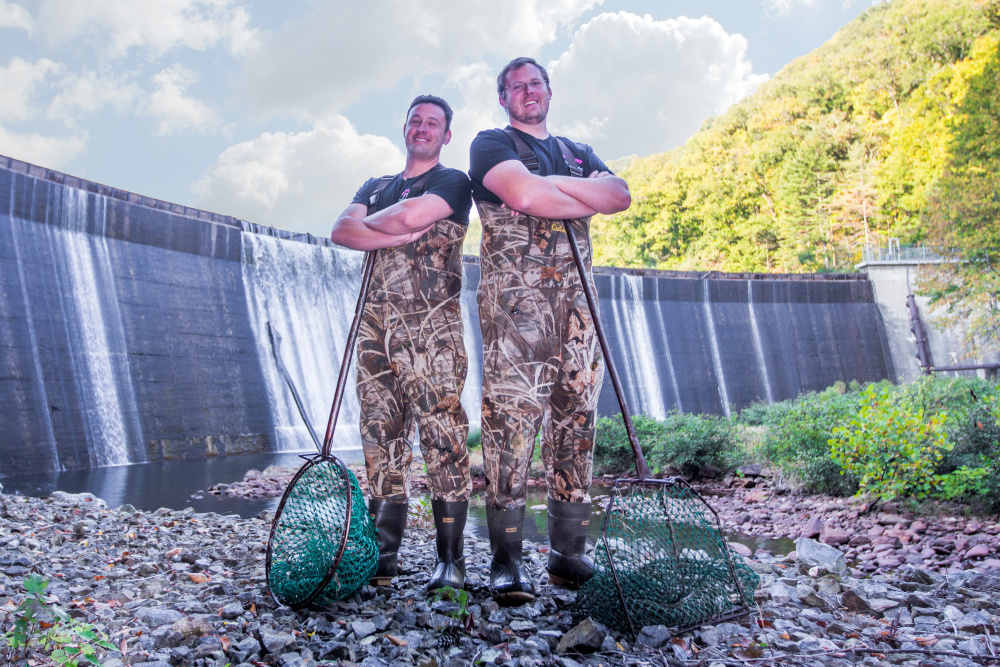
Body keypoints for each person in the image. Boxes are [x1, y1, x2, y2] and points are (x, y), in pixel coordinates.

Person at [468, 57, 631, 604]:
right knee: (510, 432)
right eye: (516, 86)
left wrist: (551, 185)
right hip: (518, 317)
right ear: (503, 98)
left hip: (580, 317)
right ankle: (506, 561)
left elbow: (618, 195)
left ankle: (568, 555)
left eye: (535, 83)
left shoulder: (579, 150)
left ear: (550, 90)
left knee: (577, 427)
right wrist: (575, 192)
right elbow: (524, 197)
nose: (527, 91)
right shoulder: (490, 144)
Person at [331, 95, 472, 593]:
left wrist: (376, 227)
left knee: (443, 438)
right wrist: (388, 232)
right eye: (416, 120)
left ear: (446, 134)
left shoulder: (453, 181)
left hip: (432, 334)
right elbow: (341, 231)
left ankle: (450, 561)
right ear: (405, 127)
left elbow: (410, 216)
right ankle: (382, 557)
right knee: (379, 437)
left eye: (433, 123)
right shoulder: (376, 184)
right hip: (374, 331)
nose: (423, 127)